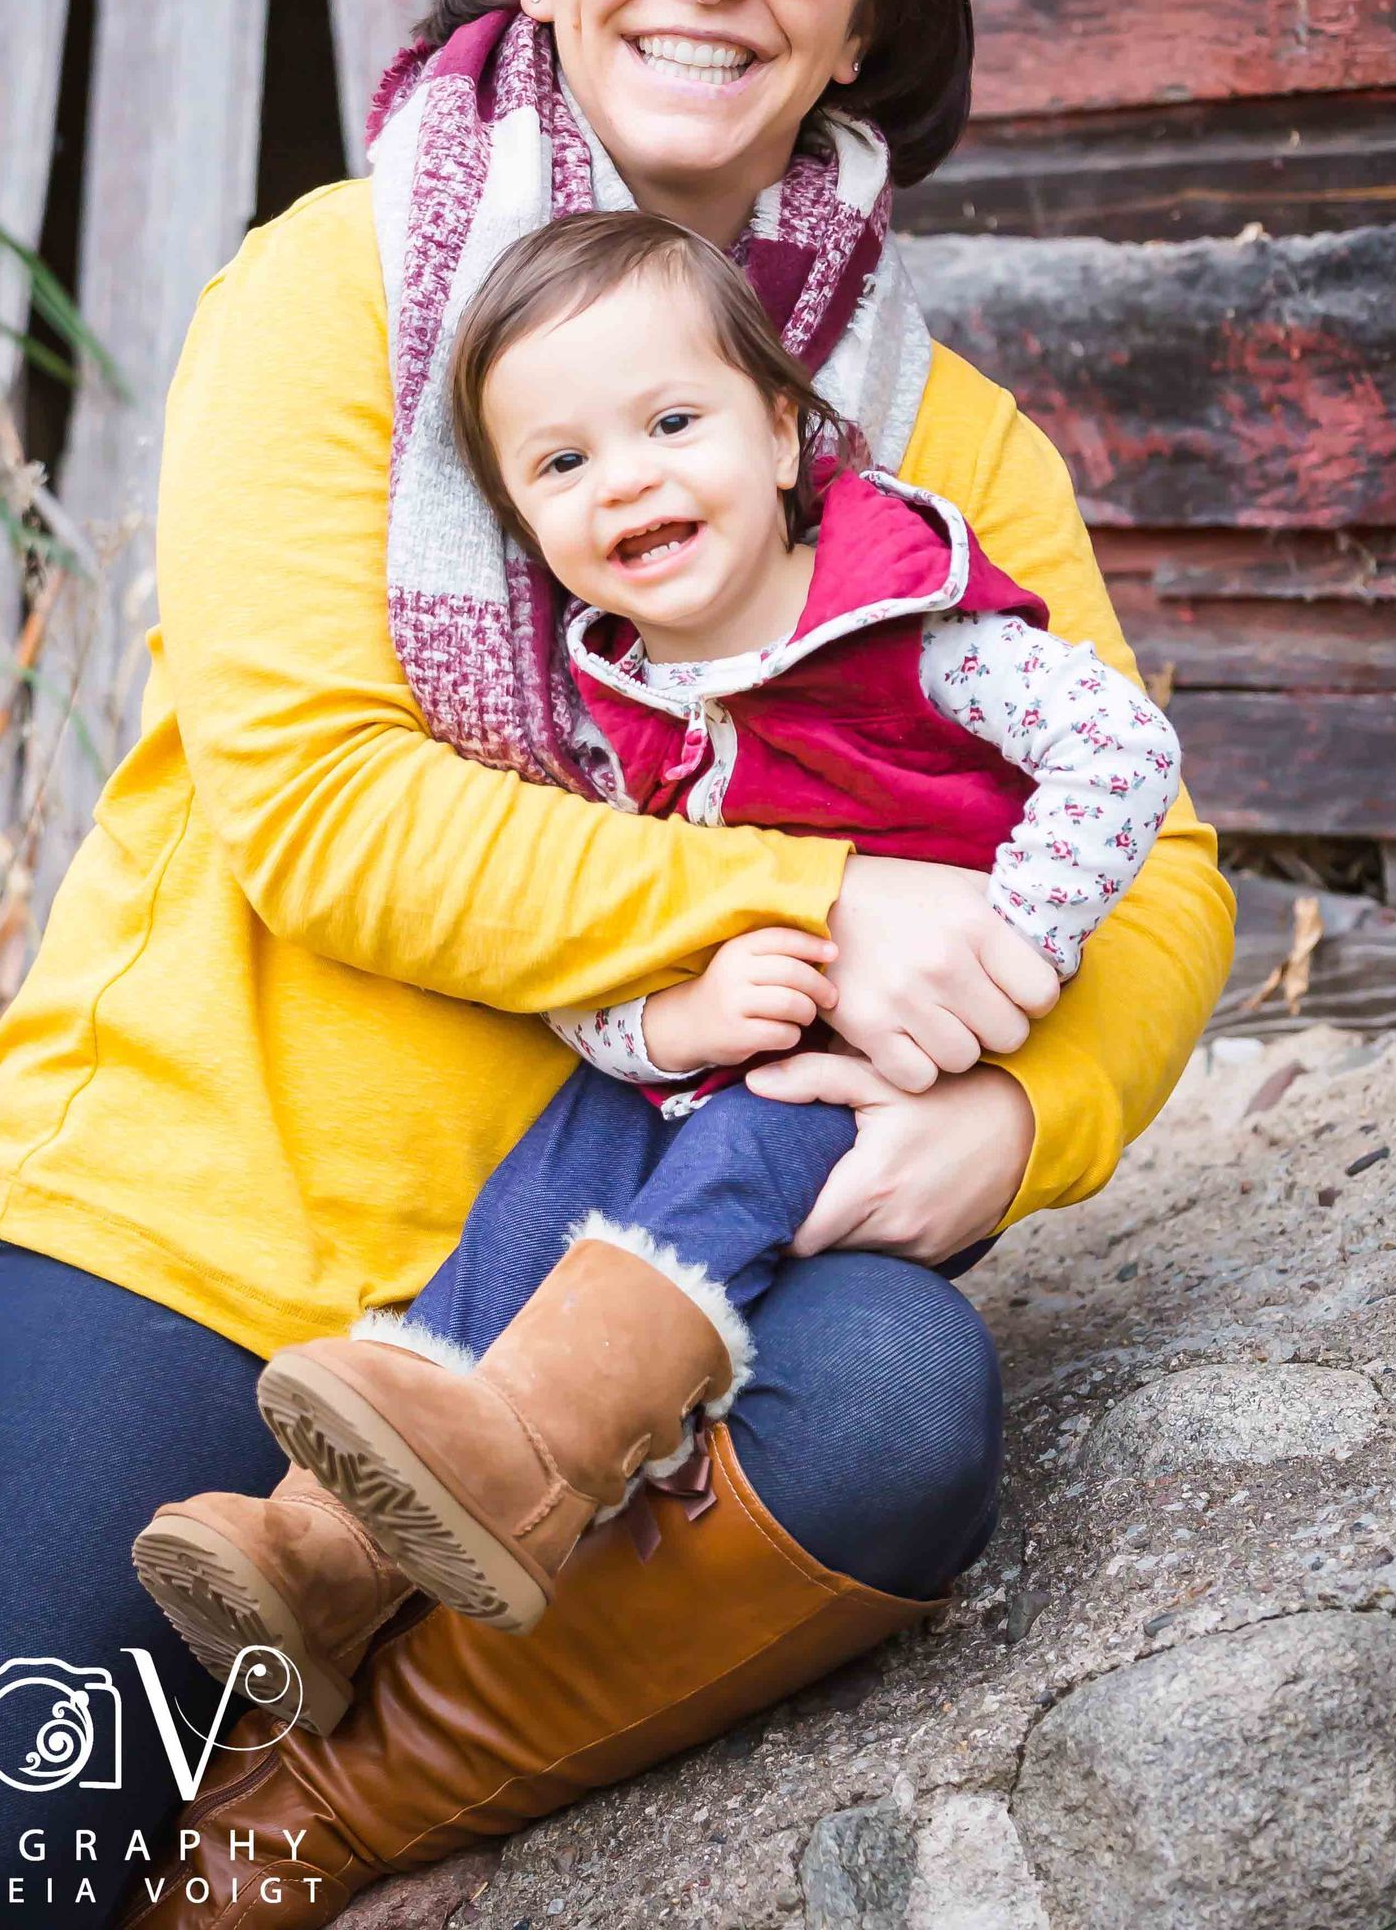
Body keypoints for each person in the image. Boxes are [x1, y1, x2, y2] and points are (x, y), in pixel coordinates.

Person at [0, 0, 1233, 1930]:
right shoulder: (335, 294)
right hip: (195, 1228)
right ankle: (225, 1673)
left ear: (863, 11)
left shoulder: (941, 447)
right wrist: (835, 900)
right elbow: (324, 799)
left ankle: (283, 1831)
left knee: (893, 1415)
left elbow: (1166, 874)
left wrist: (1016, 1121)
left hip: (615, 1281)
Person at [135, 209, 1180, 1685]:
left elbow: (1123, 752)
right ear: (521, 519)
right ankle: (324, 1547)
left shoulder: (901, 619)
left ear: (778, 435)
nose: (623, 476)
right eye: (560, 464)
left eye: (671, 421)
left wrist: (1009, 949)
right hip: (715, 1054)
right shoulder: (613, 700)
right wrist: (663, 1028)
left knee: (735, 1158)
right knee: (548, 1176)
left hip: (867, 1070)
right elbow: (607, 955)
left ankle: (534, 1461)